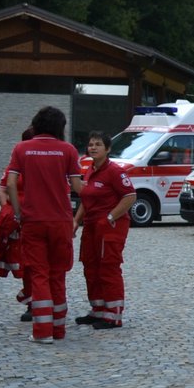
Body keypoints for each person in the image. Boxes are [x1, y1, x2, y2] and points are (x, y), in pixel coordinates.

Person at [7, 106, 83, 343]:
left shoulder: (22, 148)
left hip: (33, 220)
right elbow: (79, 188)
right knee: (57, 274)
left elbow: (10, 184)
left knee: (39, 274)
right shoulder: (68, 150)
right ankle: (59, 330)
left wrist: (19, 213)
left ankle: (42, 332)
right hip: (60, 220)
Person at [73, 131, 138, 329]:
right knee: (90, 267)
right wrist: (76, 221)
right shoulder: (91, 170)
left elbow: (130, 196)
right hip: (92, 226)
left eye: (98, 144)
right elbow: (87, 198)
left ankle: (113, 315)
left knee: (108, 267)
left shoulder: (115, 171)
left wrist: (110, 217)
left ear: (108, 149)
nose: (92, 147)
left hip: (110, 227)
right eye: (91, 144)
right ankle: (98, 309)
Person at [0, 128, 34, 323]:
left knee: (36, 261)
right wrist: (10, 213)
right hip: (18, 220)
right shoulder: (14, 165)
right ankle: (32, 301)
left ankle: (38, 300)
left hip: (36, 217)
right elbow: (2, 190)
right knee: (24, 262)